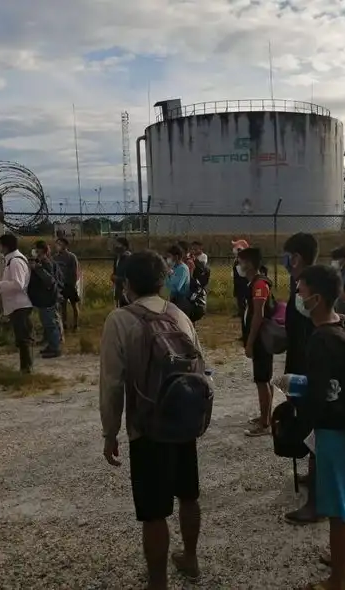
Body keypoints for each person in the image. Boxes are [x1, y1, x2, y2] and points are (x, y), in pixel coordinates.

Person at [99, 250, 204, 590]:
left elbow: (112, 383)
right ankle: (190, 558)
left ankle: (158, 581)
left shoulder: (120, 320)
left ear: (127, 283)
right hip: (184, 421)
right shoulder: (179, 314)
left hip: (148, 428)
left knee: (154, 510)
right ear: (162, 282)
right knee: (188, 495)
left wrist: (110, 432)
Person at [293, 264, 345, 590]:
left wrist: (298, 429)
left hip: (334, 432)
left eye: (301, 290)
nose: (298, 295)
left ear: (317, 297)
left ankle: (336, 581)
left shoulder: (320, 340)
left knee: (339, 511)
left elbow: (317, 394)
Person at [280, 231, 325, 525]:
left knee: (314, 427)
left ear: (296, 257)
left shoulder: (308, 287)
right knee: (308, 426)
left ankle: (317, 503)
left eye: (287, 255)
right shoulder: (304, 282)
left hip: (311, 370)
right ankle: (314, 474)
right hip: (303, 366)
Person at [237, 247, 275, 437]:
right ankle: (265, 416)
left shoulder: (259, 284)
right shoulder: (253, 282)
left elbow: (258, 315)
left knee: (262, 380)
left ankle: (265, 423)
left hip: (260, 340)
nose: (239, 265)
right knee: (264, 379)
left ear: (250, 264)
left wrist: (250, 342)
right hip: (259, 339)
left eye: (241, 261)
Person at [0, 234, 34, 373]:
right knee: (22, 338)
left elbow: (18, 284)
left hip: (20, 305)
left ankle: (26, 369)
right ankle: (26, 366)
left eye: (0, 245)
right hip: (18, 305)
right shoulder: (12, 260)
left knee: (23, 339)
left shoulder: (15, 261)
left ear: (6, 246)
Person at [31, 240, 63, 359]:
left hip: (48, 298)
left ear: (41, 250)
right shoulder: (41, 262)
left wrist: (37, 269)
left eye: (36, 249)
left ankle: (55, 348)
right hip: (43, 297)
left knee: (50, 324)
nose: (34, 251)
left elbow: (49, 280)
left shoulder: (46, 263)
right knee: (47, 323)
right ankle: (51, 345)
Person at [53, 237, 81, 330]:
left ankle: (76, 324)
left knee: (74, 305)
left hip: (70, 284)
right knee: (62, 305)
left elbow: (75, 272)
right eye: (57, 244)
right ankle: (64, 323)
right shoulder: (55, 257)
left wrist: (73, 283)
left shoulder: (71, 257)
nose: (57, 246)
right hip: (60, 285)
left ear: (65, 245)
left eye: (60, 244)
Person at [231, 239, 250, 339]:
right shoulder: (237, 261)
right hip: (239, 288)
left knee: (245, 312)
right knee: (242, 312)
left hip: (244, 289)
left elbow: (242, 273)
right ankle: (245, 334)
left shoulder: (244, 262)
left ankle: (247, 334)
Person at [111, 237, 132, 308]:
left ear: (125, 246)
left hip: (127, 291)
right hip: (118, 290)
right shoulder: (117, 258)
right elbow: (115, 272)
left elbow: (130, 277)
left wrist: (117, 279)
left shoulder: (129, 258)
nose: (116, 246)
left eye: (118, 244)